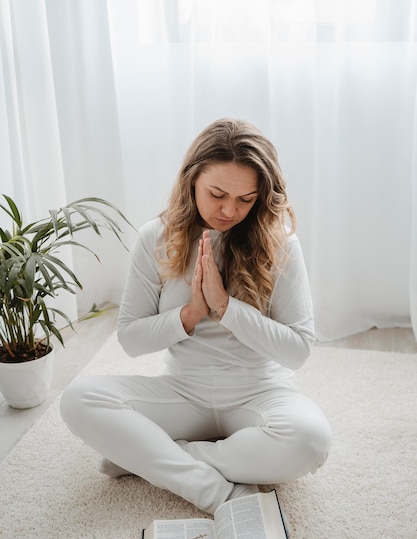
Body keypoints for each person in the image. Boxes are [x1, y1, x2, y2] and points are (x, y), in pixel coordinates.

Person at [60, 118, 331, 515]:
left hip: (258, 393)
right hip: (184, 392)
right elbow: (132, 339)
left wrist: (226, 308)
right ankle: (213, 491)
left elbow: (297, 351)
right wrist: (190, 314)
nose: (229, 210)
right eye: (217, 193)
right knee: (79, 399)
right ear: (191, 180)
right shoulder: (156, 236)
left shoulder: (281, 243)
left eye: (245, 199)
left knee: (311, 441)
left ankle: (153, 458)